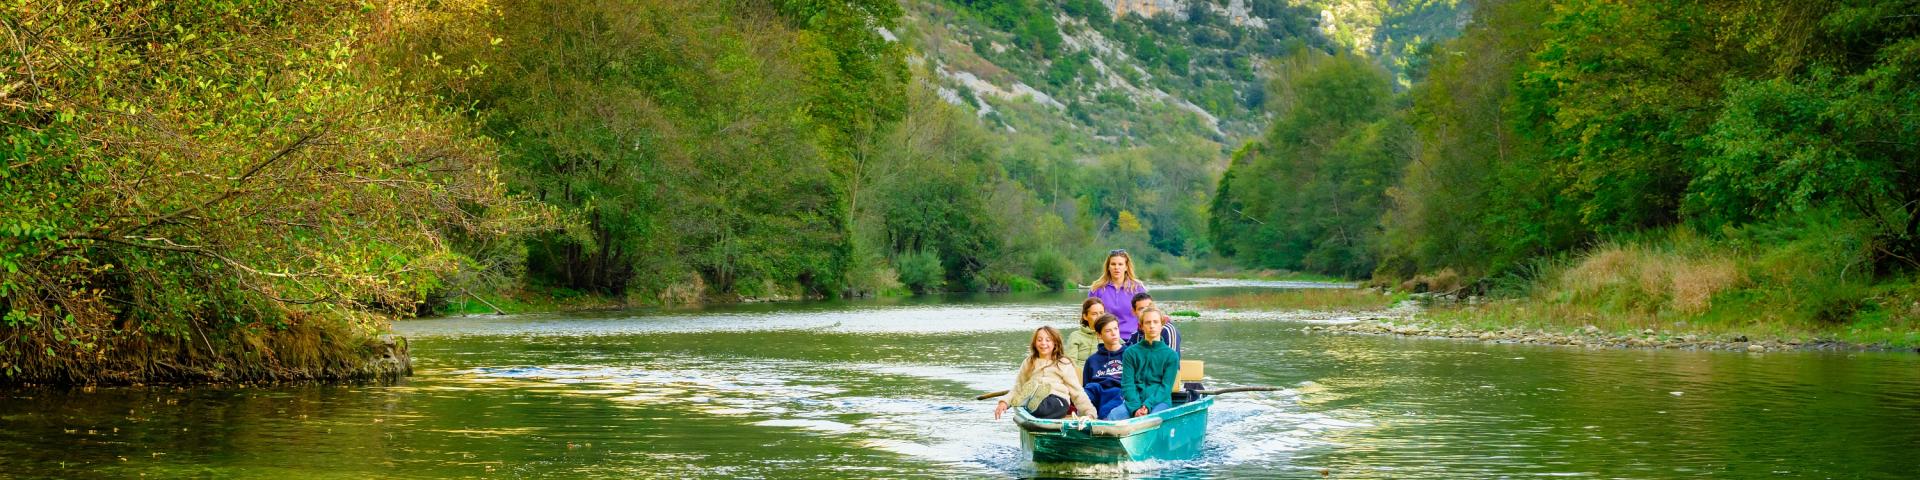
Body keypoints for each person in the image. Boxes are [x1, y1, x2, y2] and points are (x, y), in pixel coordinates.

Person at [994, 326, 1098, 420]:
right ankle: (1031, 397)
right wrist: (1004, 402)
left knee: (1046, 406)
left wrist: (1090, 412)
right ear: (1035, 343)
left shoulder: (1063, 363)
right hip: (1032, 397)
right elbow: (1018, 387)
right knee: (1029, 400)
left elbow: (1077, 391)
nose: (1043, 343)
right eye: (1039, 340)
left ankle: (1031, 402)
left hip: (1057, 398)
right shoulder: (1029, 362)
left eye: (1048, 340)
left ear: (1055, 343)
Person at [1122, 308, 1180, 418]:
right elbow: (1127, 384)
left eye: (1156, 322)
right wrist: (1135, 408)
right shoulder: (1130, 353)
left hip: (1160, 402)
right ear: (1141, 326)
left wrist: (1147, 405)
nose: (1152, 326)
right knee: (1114, 415)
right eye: (1148, 322)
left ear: (1162, 325)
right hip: (1134, 401)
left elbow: (1165, 388)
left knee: (1151, 419)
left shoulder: (1171, 356)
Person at [1087, 249, 1148, 340]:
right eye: (1113, 264)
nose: (1116, 267)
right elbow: (1088, 317)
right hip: (1105, 339)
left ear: (1126, 267)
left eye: (1120, 264)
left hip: (1132, 338)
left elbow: (1147, 313)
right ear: (1108, 267)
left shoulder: (1137, 288)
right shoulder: (1096, 289)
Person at [1082, 314, 1130, 420]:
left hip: (1120, 392)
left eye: (1116, 329)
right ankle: (1084, 419)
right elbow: (1087, 385)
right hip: (1098, 393)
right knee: (1089, 389)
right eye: (1108, 331)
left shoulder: (1130, 355)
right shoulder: (1092, 360)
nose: (1114, 333)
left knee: (1118, 395)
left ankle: (1104, 420)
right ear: (1099, 335)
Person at [1061, 298, 1104, 367]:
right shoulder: (1075, 336)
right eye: (1094, 314)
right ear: (1085, 316)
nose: (1099, 317)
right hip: (1081, 374)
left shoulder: (1110, 333)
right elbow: (1071, 364)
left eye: (1101, 313)